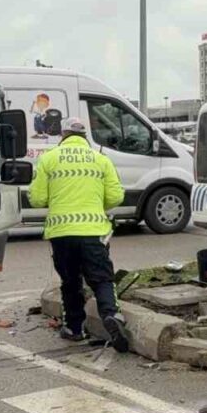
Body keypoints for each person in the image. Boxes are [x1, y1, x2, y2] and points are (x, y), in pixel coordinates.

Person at [28, 118, 130, 351]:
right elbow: (116, 197)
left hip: (61, 233)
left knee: (70, 280)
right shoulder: (101, 160)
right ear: (85, 136)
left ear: (63, 135)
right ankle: (111, 315)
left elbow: (37, 199)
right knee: (102, 278)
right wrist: (95, 205)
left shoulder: (49, 159)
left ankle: (74, 328)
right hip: (94, 231)